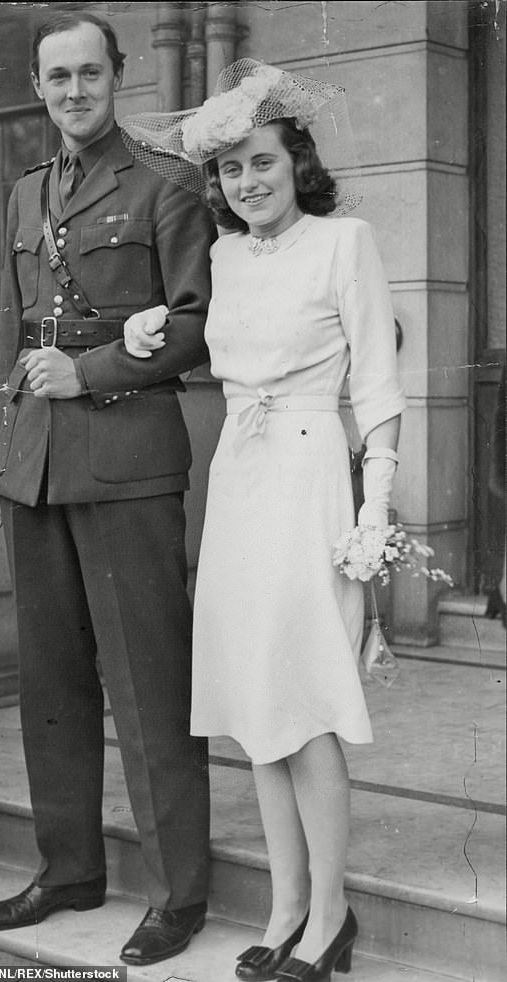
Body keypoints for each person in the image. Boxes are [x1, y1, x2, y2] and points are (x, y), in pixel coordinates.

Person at [122, 59, 406, 981]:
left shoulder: (345, 241)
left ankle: (331, 915)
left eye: (264, 163)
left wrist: (376, 516)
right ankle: (285, 904)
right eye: (233, 169)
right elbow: (201, 333)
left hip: (313, 474)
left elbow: (377, 384)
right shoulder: (226, 254)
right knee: (255, 698)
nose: (248, 182)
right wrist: (143, 328)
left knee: (308, 700)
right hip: (239, 480)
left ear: (297, 164)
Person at [0, 11, 213, 966]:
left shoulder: (167, 188)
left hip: (126, 465)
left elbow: (198, 326)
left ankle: (178, 892)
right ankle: (70, 867)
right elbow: (12, 331)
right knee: (53, 685)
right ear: (37, 86)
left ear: (119, 75)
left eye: (90, 73)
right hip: (35, 464)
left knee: (149, 686)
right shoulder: (26, 192)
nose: (74, 91)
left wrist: (96, 371)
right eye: (56, 77)